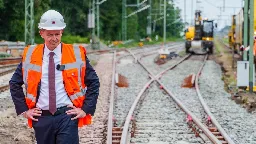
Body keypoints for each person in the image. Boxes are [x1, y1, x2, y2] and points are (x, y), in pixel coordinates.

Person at [9, 10, 100, 144]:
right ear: (41, 33)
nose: (54, 38)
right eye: (50, 34)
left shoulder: (76, 54)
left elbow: (94, 82)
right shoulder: (30, 55)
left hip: (67, 116)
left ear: (62, 31)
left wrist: (85, 109)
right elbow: (14, 83)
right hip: (42, 118)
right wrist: (24, 110)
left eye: (57, 34)